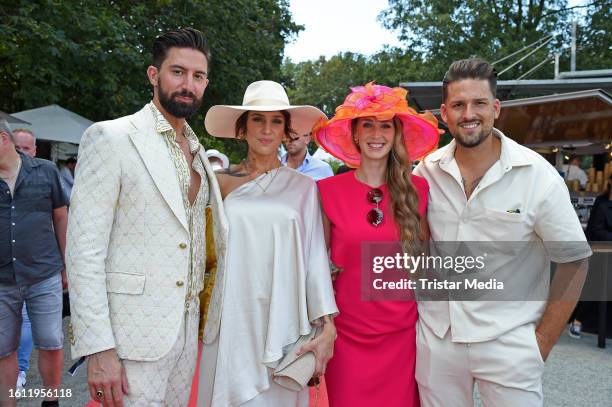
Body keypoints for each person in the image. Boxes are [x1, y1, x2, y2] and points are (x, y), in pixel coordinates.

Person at [414, 58, 591, 406]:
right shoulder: (425, 172)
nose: (469, 113)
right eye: (459, 105)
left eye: (479, 103)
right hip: (438, 341)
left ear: (496, 108)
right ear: (444, 113)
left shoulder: (537, 175)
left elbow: (574, 260)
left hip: (509, 343)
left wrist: (541, 343)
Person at [66, 28, 228, 406]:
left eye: (198, 76)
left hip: (186, 336)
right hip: (130, 339)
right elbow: (84, 251)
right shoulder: (112, 138)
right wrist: (98, 348)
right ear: (154, 75)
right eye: (178, 71)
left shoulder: (199, 152)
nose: (188, 84)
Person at [199, 80, 338, 406]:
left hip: (285, 314)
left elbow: (314, 257)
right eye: (258, 120)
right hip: (232, 313)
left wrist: (326, 324)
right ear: (242, 128)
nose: (266, 129)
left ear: (286, 130)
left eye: (276, 121)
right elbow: (202, 254)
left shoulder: (304, 188)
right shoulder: (219, 182)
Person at [313, 82, 440, 406]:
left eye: (385, 125)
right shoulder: (327, 191)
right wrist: (324, 325)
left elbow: (424, 265)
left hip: (403, 338)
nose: (376, 133)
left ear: (396, 134)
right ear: (354, 132)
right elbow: (317, 269)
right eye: (367, 124)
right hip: (345, 337)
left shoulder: (420, 190)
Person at [0, 120, 68, 407]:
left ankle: (51, 400)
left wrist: (67, 265)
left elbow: (61, 216)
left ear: (3, 138)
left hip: (43, 273)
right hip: (2, 279)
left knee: (51, 342)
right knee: (4, 349)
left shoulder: (45, 171)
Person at [568, 174, 612, 338]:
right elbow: (595, 231)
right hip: (600, 254)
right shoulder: (602, 204)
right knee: (596, 285)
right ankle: (577, 321)